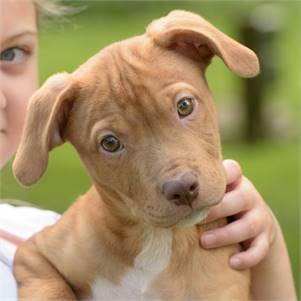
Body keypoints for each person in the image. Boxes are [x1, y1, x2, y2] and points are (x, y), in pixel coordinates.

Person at [0, 0, 297, 300]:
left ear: (197, 47)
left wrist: (268, 243)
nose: (178, 178)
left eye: (184, 106)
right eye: (111, 143)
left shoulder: (30, 227)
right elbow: (37, 259)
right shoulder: (71, 240)